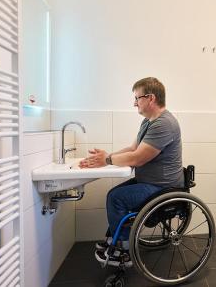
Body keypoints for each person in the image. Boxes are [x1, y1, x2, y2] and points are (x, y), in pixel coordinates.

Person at [79, 77, 184, 267]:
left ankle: (123, 251)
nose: (134, 103)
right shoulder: (148, 122)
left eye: (137, 98)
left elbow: (138, 158)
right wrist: (107, 157)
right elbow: (133, 148)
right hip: (150, 182)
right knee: (113, 194)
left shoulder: (164, 124)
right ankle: (115, 240)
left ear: (150, 98)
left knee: (117, 198)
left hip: (162, 186)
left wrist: (107, 160)